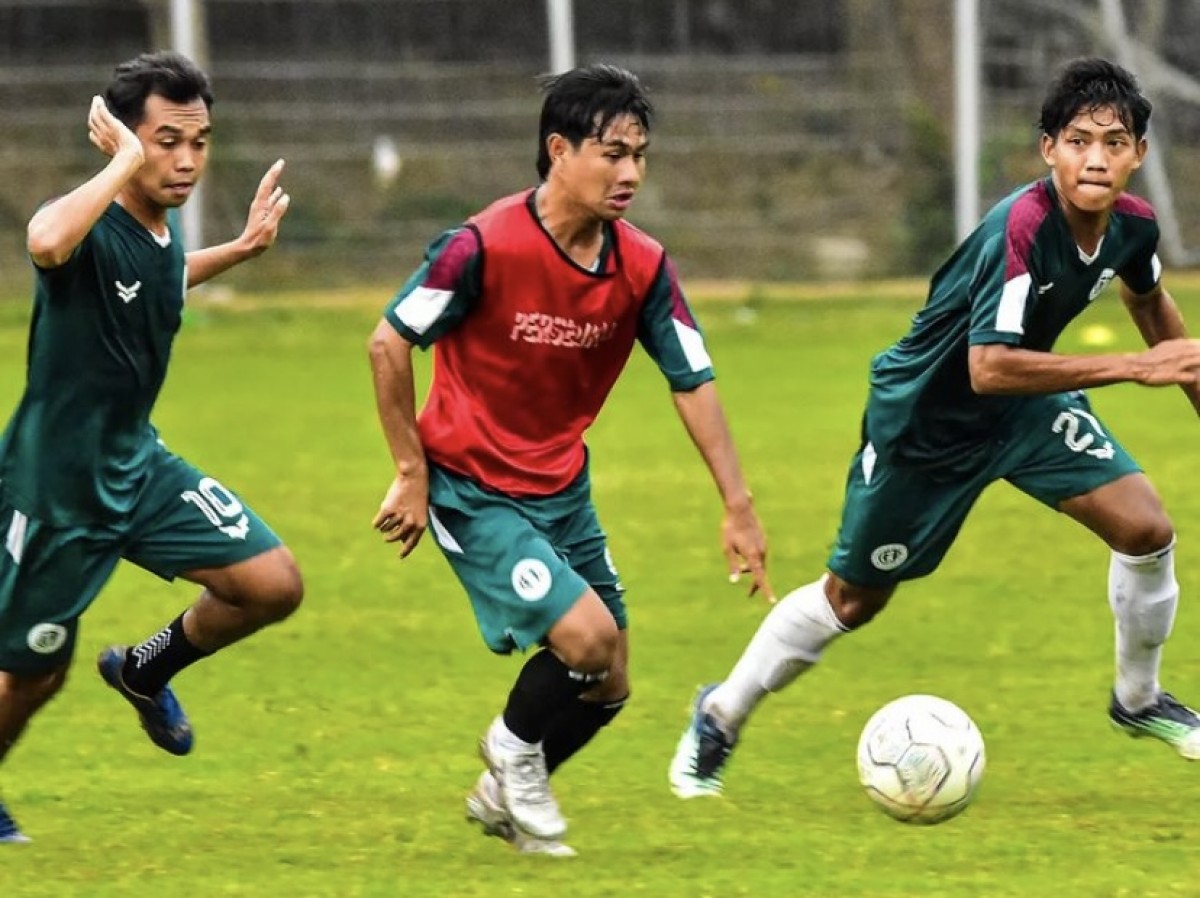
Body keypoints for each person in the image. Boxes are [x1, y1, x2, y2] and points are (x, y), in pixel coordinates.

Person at [669, 56, 1200, 799]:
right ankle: (721, 713)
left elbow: (1150, 309)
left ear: (1138, 154)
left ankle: (1138, 701)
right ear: (1048, 149)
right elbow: (988, 366)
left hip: (1024, 407)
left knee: (1145, 529)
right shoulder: (1022, 229)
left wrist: (1176, 374)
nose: (1096, 159)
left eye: (1115, 143)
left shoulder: (1132, 227)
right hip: (926, 424)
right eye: (1079, 141)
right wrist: (1130, 368)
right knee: (852, 600)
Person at [368, 63, 771, 856]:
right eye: (612, 153)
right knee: (585, 641)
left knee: (609, 680)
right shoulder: (481, 246)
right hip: (470, 488)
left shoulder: (643, 267)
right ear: (559, 150)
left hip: (560, 489)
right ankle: (512, 750)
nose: (631, 174)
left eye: (639, 156)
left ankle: (502, 796)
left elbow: (692, 378)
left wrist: (738, 502)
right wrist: (412, 472)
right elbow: (388, 343)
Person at [0, 51, 304, 843]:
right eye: (167, 142)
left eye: (199, 142)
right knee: (33, 676)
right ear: (126, 140)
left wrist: (239, 249)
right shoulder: (90, 221)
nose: (188, 160)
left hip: (138, 468)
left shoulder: (158, 233)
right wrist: (122, 163)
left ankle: (145, 669)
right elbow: (45, 241)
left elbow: (159, 276)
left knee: (270, 584)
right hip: (56, 491)